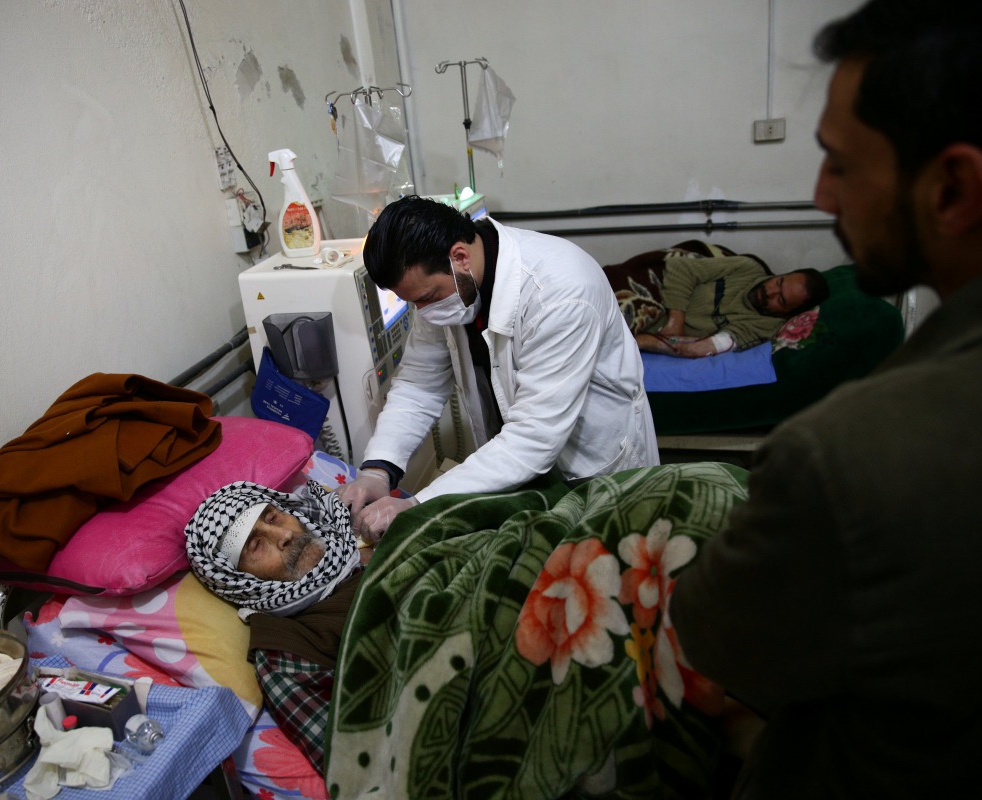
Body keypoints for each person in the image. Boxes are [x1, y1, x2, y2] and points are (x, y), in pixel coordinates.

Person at [669, 2, 982, 798]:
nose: (821, 197)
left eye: (841, 165)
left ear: (953, 188)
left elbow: (719, 642)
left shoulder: (850, 451)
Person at [339, 195, 659, 541]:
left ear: (460, 257)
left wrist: (420, 503)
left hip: (592, 465)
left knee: (609, 555)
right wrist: (378, 469)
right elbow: (419, 385)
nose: (424, 312)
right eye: (413, 302)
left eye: (427, 298)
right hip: (521, 467)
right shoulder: (445, 287)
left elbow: (534, 437)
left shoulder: (561, 292)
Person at [184, 479, 364, 774]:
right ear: (239, 581)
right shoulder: (285, 650)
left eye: (273, 518)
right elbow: (354, 763)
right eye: (255, 545)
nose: (285, 535)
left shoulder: (362, 540)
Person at [633, 256, 828, 358]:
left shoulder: (764, 326)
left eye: (781, 300)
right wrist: (676, 320)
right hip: (654, 294)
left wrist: (639, 342)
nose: (770, 292)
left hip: (644, 330)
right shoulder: (747, 268)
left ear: (788, 314)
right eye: (778, 282)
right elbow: (680, 267)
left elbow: (701, 348)